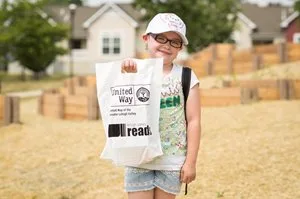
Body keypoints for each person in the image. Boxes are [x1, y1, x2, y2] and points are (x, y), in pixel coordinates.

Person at [121, 13, 201, 199]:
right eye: (161, 37)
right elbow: (119, 107)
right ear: (146, 39)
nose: (167, 45)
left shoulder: (186, 76)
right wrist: (125, 74)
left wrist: (191, 162)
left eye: (175, 41)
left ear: (180, 47)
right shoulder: (134, 71)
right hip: (138, 159)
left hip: (172, 162)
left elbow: (194, 121)